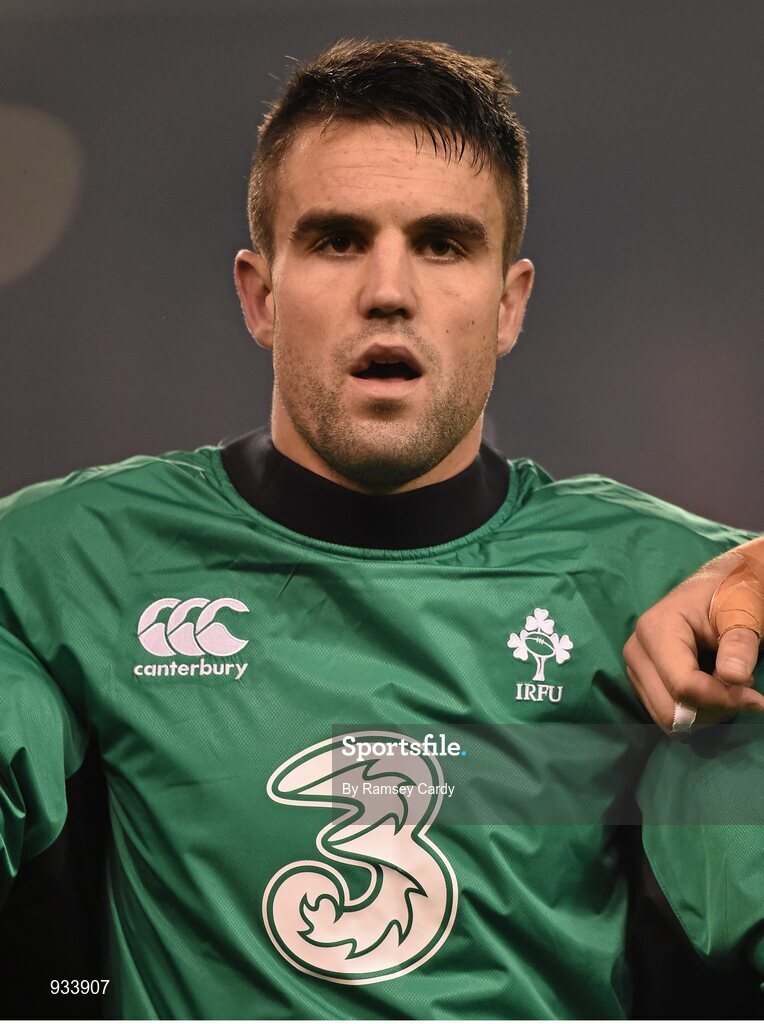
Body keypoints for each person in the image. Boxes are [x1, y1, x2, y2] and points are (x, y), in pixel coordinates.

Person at [0, 38, 761, 1020]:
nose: (388, 290)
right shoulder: (70, 559)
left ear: (508, 306)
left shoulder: (668, 584)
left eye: (442, 244)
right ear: (260, 296)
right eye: (336, 240)